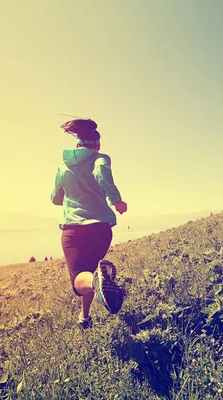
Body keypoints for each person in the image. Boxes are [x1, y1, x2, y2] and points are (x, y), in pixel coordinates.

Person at [51, 118, 127, 329]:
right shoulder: (101, 158)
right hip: (100, 227)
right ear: (97, 146)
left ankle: (94, 290)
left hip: (73, 229)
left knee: (79, 280)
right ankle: (84, 318)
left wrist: (69, 193)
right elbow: (101, 174)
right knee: (92, 275)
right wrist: (116, 200)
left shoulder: (63, 166)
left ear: (77, 145)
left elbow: (55, 198)